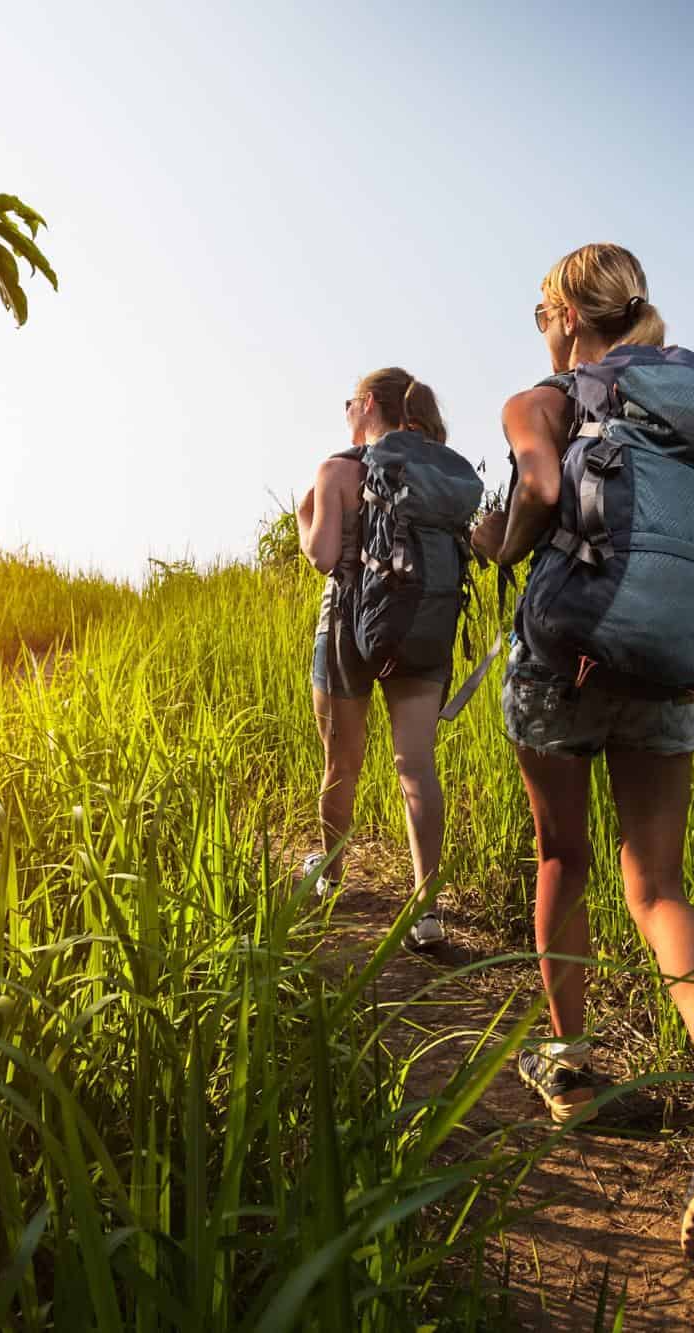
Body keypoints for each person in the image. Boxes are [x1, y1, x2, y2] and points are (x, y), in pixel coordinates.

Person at [470, 244, 694, 1261]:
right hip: (664, 664)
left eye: (538, 308)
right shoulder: (684, 411)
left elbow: (541, 490)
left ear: (564, 311)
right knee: (660, 886)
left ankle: (568, 1067)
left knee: (563, 857)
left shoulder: (544, 397)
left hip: (563, 661)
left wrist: (495, 542)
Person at [296, 367, 478, 953]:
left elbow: (324, 557)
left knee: (342, 761)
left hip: (349, 626)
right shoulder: (434, 473)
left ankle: (329, 872)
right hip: (421, 626)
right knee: (416, 766)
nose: (346, 412)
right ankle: (426, 912)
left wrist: (305, 520)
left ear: (368, 404)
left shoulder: (338, 470)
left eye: (349, 402)